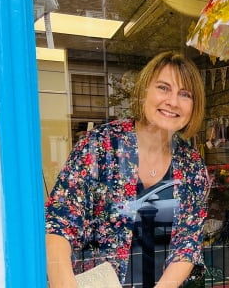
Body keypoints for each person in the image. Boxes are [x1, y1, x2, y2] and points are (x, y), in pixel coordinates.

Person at [45, 51, 209, 288]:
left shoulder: (191, 165)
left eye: (185, 94)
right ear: (144, 92)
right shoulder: (100, 146)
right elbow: (58, 224)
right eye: (163, 88)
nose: (173, 101)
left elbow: (188, 242)